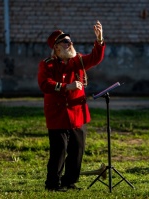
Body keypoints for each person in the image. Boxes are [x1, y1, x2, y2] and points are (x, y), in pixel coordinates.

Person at [37, 21, 105, 191]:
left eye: (71, 41)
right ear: (57, 47)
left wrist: (99, 39)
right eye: (66, 42)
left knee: (77, 149)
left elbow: (95, 58)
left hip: (77, 114)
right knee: (59, 152)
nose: (71, 44)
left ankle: (70, 181)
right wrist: (66, 86)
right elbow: (45, 84)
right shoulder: (47, 64)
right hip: (58, 115)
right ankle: (52, 184)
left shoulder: (78, 60)